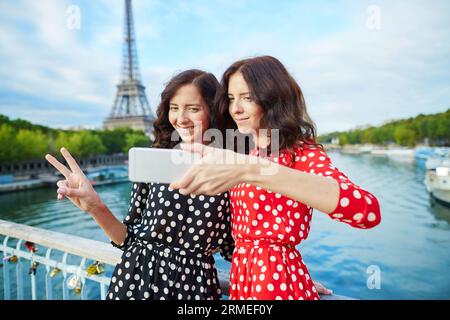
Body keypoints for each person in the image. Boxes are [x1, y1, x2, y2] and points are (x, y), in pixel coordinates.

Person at [171, 56, 381, 300]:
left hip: (274, 283)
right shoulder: (248, 153)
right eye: (231, 99)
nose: (235, 109)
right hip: (245, 277)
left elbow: (367, 211)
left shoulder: (300, 152)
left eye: (247, 98)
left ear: (273, 97)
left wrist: (252, 170)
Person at [45, 70, 234, 300]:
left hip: (194, 289)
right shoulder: (153, 161)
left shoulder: (232, 167)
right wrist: (95, 206)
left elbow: (235, 248)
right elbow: (129, 239)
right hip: (136, 279)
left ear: (212, 111)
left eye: (193, 109)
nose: (181, 118)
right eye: (174, 108)